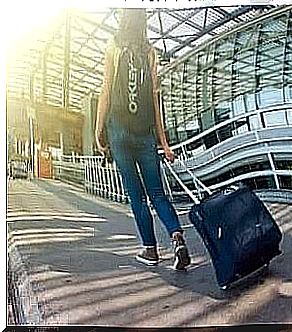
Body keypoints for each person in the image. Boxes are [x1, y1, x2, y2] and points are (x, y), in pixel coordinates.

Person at [95, 8, 191, 270]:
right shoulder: (150, 52)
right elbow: (155, 100)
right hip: (146, 134)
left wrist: (98, 128)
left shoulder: (113, 45)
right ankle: (176, 235)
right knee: (158, 194)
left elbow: (105, 89)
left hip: (119, 133)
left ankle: (150, 250)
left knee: (136, 196)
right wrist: (164, 142)